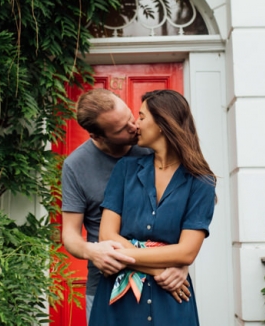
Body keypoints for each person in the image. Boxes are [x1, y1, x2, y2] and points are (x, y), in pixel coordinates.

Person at [60, 88, 191, 323]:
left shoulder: (153, 144)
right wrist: (92, 251)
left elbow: (186, 213)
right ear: (97, 136)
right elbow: (69, 234)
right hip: (107, 283)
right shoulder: (76, 166)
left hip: (164, 282)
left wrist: (182, 261)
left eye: (131, 117)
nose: (134, 127)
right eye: (121, 129)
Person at [89, 89, 217, 326]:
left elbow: (186, 252)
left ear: (161, 123)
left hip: (171, 300)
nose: (136, 125)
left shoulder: (201, 182)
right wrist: (159, 270)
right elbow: (106, 235)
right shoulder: (125, 170)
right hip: (122, 299)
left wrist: (120, 256)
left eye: (141, 116)